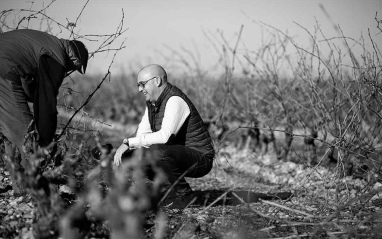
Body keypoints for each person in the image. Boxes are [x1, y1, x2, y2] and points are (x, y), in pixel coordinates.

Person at [0, 29, 89, 195]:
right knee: (27, 138)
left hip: (6, 66)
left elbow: (30, 86)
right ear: (74, 57)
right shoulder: (57, 55)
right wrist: (46, 140)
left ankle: (21, 188)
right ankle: (30, 191)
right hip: (3, 71)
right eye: (74, 66)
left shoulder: (45, 44)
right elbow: (46, 99)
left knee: (11, 132)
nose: (69, 69)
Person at [113, 64, 215, 209]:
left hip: (200, 159)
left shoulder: (175, 100)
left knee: (158, 151)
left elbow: (165, 137)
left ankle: (185, 197)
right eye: (138, 85)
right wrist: (125, 145)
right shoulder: (153, 104)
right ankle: (169, 191)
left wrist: (130, 142)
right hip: (178, 154)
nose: (140, 90)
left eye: (142, 84)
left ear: (157, 81)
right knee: (129, 156)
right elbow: (142, 133)